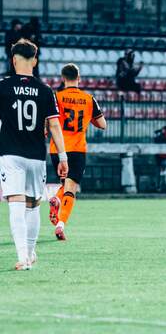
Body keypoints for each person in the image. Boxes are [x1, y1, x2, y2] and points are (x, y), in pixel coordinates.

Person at [0, 39, 68, 270]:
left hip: (11, 153)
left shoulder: (3, 87)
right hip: (37, 155)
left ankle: (23, 257)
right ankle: (30, 254)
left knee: (16, 203)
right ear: (35, 61)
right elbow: (55, 126)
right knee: (32, 205)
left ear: (13, 60)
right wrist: (63, 157)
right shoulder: (45, 90)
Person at [48, 63, 107, 240]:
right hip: (77, 149)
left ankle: (57, 200)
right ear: (79, 78)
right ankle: (61, 224)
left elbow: (49, 121)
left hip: (57, 148)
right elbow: (103, 124)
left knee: (65, 184)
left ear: (63, 78)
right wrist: (89, 118)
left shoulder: (56, 97)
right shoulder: (89, 99)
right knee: (71, 188)